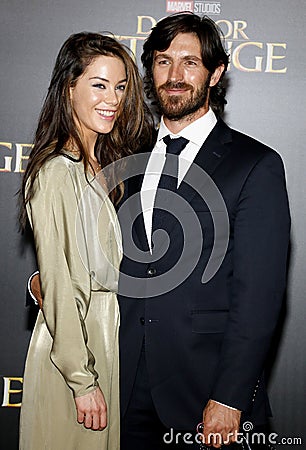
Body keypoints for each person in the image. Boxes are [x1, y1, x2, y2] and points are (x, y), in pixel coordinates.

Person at [116, 13, 291, 449]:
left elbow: (260, 296)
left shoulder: (254, 165)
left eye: (189, 62)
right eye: (162, 61)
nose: (174, 76)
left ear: (216, 74)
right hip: (120, 384)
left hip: (205, 391)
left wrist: (230, 397)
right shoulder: (122, 157)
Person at [19, 32, 153, 450]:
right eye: (99, 84)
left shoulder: (100, 166)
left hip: (102, 342)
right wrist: (81, 379)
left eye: (120, 86)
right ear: (69, 87)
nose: (112, 98)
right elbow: (61, 282)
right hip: (75, 354)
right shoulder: (58, 170)